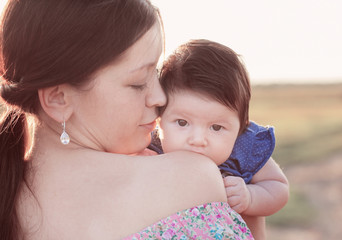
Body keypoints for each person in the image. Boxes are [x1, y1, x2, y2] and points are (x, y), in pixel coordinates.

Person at [0, 0, 255, 239]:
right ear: (59, 99)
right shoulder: (189, 179)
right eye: (137, 83)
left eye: (156, 72)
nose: (160, 97)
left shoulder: (9, 196)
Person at [148, 39, 289, 239]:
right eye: (182, 123)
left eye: (216, 127)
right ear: (159, 118)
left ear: (241, 127)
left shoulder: (244, 147)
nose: (198, 140)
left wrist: (250, 197)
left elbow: (278, 187)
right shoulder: (150, 149)